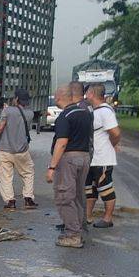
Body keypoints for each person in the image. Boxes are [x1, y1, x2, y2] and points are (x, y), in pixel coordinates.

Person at [47, 83, 94, 248]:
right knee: (78, 196)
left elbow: (62, 142)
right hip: (84, 157)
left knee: (64, 196)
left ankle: (72, 234)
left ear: (58, 96)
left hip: (69, 159)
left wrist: (52, 167)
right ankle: (79, 228)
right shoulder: (85, 113)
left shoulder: (65, 116)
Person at [0, 88, 37, 209]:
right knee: (28, 173)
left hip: (5, 150)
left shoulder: (7, 111)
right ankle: (28, 198)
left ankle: (10, 201)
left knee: (6, 176)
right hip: (22, 151)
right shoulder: (30, 113)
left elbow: (0, 128)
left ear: (16, 99)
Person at [84, 84, 121, 228]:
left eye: (87, 92)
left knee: (105, 188)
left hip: (102, 158)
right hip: (92, 159)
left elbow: (116, 133)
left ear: (92, 93)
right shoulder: (94, 110)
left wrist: (113, 144)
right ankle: (87, 216)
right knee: (90, 189)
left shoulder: (105, 111)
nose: (85, 94)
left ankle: (107, 218)